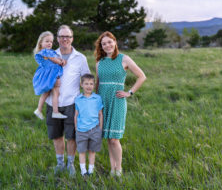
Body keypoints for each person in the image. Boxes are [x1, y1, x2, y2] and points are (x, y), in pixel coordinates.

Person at [95, 31, 146, 176]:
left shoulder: (124, 59)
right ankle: (112, 168)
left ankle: (119, 168)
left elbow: (142, 77)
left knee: (114, 138)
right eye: (104, 43)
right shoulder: (100, 63)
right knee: (108, 138)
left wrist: (129, 93)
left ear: (115, 42)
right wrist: (94, 102)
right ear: (101, 46)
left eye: (109, 42)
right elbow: (98, 84)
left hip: (117, 100)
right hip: (102, 101)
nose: (107, 45)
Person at [45, 25, 90, 176]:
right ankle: (60, 164)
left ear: (72, 38)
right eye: (62, 36)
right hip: (53, 103)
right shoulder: (50, 55)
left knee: (72, 136)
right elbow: (42, 75)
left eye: (68, 36)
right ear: (57, 39)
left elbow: (86, 80)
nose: (65, 39)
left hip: (73, 103)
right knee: (57, 135)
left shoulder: (80, 58)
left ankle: (70, 164)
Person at [32, 31, 68, 120]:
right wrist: (60, 62)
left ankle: (39, 110)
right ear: (41, 42)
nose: (49, 43)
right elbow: (54, 60)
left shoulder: (50, 52)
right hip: (50, 75)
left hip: (50, 75)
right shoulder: (45, 52)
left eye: (51, 42)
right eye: (47, 41)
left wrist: (62, 61)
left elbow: (57, 58)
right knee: (56, 91)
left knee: (48, 93)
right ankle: (55, 112)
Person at [74, 74, 103, 176]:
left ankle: (91, 170)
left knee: (92, 150)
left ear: (94, 85)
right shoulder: (78, 99)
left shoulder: (97, 98)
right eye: (86, 83)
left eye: (91, 84)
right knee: (82, 151)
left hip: (94, 129)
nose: (89, 86)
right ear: (81, 84)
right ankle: (83, 171)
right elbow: (76, 115)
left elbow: (100, 114)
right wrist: (76, 127)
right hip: (81, 130)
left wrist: (100, 128)